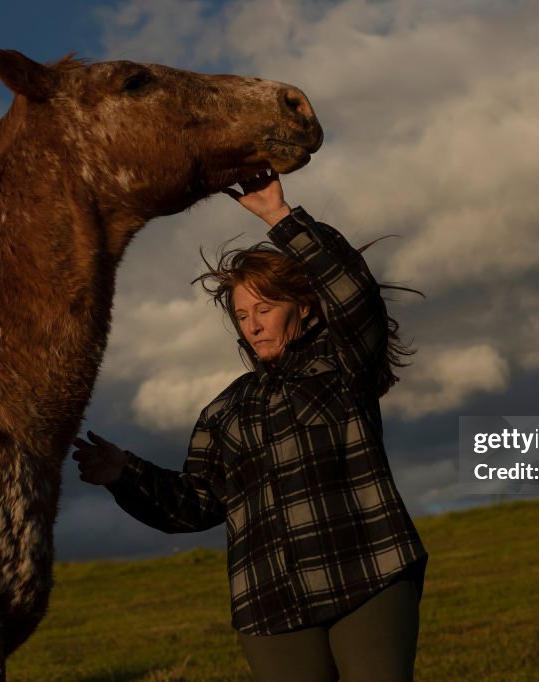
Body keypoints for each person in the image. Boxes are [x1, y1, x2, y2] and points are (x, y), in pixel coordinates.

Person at [72, 170, 428, 682]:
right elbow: (196, 504)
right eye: (242, 314)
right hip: (268, 602)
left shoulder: (342, 367)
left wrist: (279, 218)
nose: (254, 324)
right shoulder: (224, 412)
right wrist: (124, 473)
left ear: (302, 308)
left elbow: (353, 294)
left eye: (265, 308)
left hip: (367, 570)